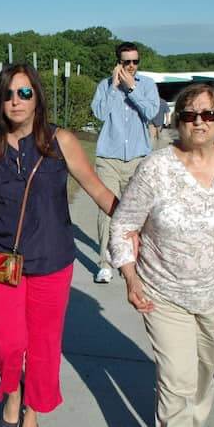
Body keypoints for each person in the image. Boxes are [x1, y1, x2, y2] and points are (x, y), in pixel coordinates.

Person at [108, 83, 214, 426]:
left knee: (204, 377)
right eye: (189, 115)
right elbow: (123, 224)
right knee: (177, 382)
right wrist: (130, 277)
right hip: (164, 293)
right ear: (178, 122)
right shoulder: (155, 168)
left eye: (208, 114)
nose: (198, 121)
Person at [0, 64, 117, 427]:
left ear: (36, 98)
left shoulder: (61, 141)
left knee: (43, 347)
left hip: (52, 260)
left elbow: (96, 189)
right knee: (7, 342)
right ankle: (12, 390)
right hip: (0, 263)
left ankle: (30, 409)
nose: (16, 101)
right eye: (9, 94)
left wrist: (134, 221)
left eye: (24, 93)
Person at [91, 41, 160, 283]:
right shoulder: (105, 86)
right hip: (108, 157)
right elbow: (99, 113)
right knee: (107, 210)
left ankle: (135, 259)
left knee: (137, 212)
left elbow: (152, 113)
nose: (131, 66)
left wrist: (132, 90)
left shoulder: (147, 86)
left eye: (135, 62)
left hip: (138, 158)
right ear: (118, 62)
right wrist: (114, 88)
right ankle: (105, 263)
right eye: (126, 62)